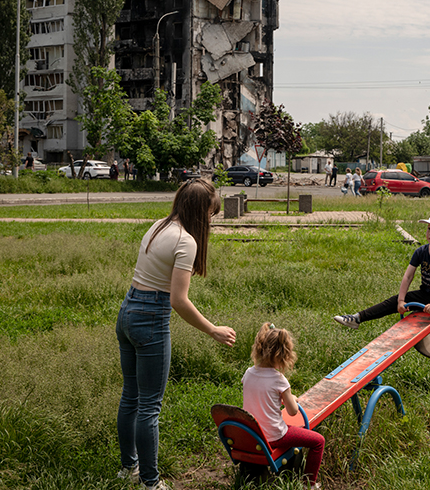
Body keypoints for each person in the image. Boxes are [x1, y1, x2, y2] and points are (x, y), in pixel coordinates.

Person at [116, 179, 236, 490]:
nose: (210, 220)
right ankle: (150, 483)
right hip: (150, 320)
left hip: (127, 311)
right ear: (199, 211)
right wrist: (213, 329)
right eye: (210, 213)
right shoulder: (186, 241)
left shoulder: (159, 225)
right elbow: (178, 300)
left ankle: (128, 468)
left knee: (131, 397)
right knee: (149, 406)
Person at [334, 210, 430, 364]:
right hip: (425, 293)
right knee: (392, 302)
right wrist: (401, 301)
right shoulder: (421, 251)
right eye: (429, 229)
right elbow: (408, 276)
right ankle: (357, 318)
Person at [243, 323, 325, 489]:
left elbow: (260, 395)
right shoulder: (279, 380)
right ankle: (309, 484)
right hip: (274, 436)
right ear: (282, 354)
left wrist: (278, 398)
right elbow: (293, 411)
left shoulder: (248, 373)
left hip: (252, 435)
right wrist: (290, 398)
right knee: (318, 441)